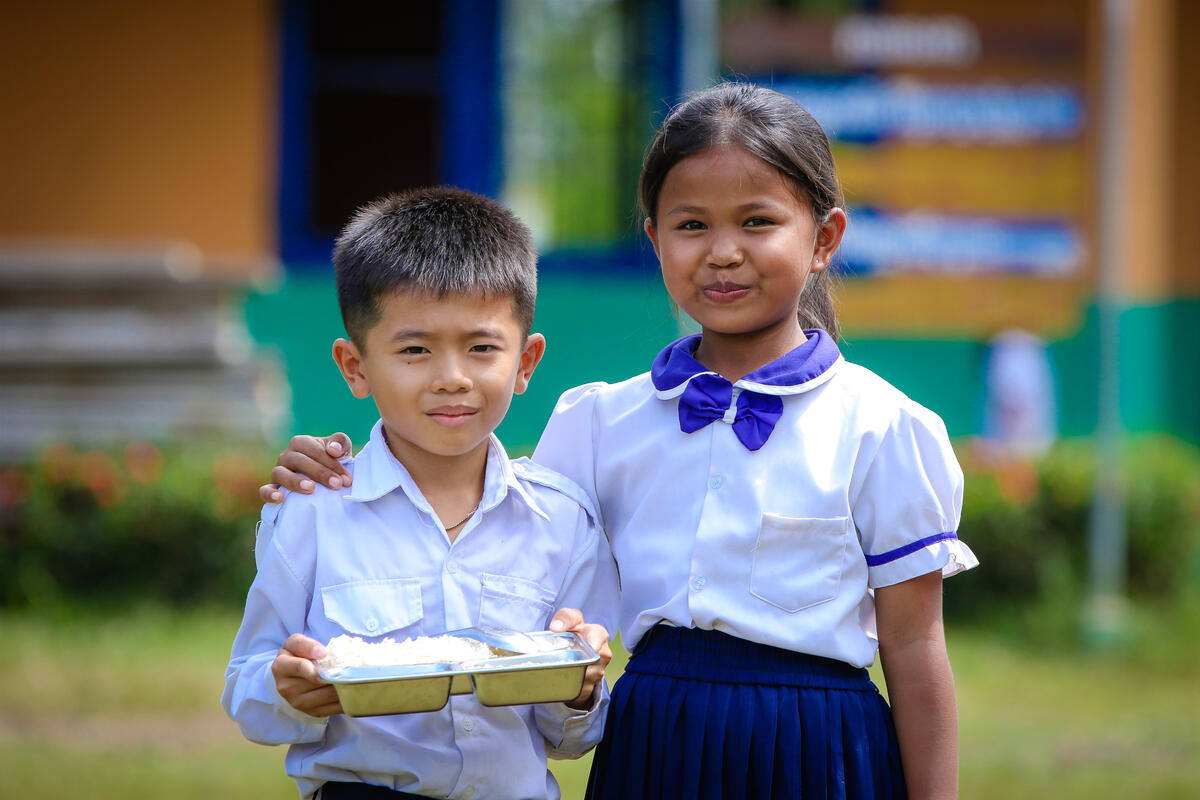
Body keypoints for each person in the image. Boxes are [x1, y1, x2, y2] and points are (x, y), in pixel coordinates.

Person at [265, 83, 978, 800]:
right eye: (691, 225)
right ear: (654, 239)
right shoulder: (601, 422)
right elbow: (484, 511)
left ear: (824, 239)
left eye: (758, 222)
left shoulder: (882, 426)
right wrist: (345, 467)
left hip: (814, 750)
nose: (723, 253)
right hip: (654, 744)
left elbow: (915, 648)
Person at [225, 187, 619, 800]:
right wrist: (285, 688)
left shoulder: (561, 519)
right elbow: (245, 689)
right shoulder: (312, 511)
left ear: (526, 361)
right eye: (414, 350)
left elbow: (570, 737)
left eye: (482, 347)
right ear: (355, 367)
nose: (452, 377)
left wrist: (582, 685)